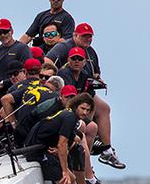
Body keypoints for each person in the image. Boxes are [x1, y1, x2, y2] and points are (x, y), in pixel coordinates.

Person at [49, 26, 123, 169]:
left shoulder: (91, 52)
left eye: (90, 36)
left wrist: (97, 80)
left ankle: (106, 150)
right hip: (70, 93)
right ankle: (84, 162)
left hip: (85, 91)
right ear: (75, 35)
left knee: (104, 108)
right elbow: (47, 60)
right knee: (86, 115)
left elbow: (95, 73)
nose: (87, 39)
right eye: (84, 36)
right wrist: (54, 79)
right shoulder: (64, 48)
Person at [24, 93, 95, 184]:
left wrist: (62, 148)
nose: (85, 112)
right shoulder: (69, 117)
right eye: (83, 108)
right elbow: (62, 143)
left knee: (72, 179)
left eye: (88, 110)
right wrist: (64, 170)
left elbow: (69, 140)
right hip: (36, 149)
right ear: (75, 106)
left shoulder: (71, 117)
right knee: (64, 181)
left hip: (47, 147)